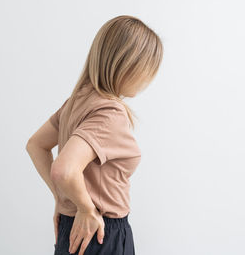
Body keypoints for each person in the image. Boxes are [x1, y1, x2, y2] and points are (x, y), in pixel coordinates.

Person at [25, 15, 163, 255]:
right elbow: (63, 169)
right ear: (128, 65)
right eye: (147, 69)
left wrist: (64, 199)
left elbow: (36, 145)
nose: (148, 80)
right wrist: (86, 209)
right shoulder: (110, 111)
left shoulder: (76, 103)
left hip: (77, 227)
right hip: (100, 232)